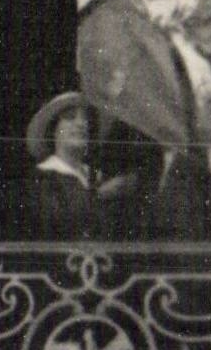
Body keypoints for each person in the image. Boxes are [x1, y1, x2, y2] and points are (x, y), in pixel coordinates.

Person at [26, 91, 136, 241]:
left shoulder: (99, 177)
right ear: (54, 130)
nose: (81, 123)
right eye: (70, 117)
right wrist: (98, 197)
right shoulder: (42, 177)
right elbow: (55, 225)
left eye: (86, 119)